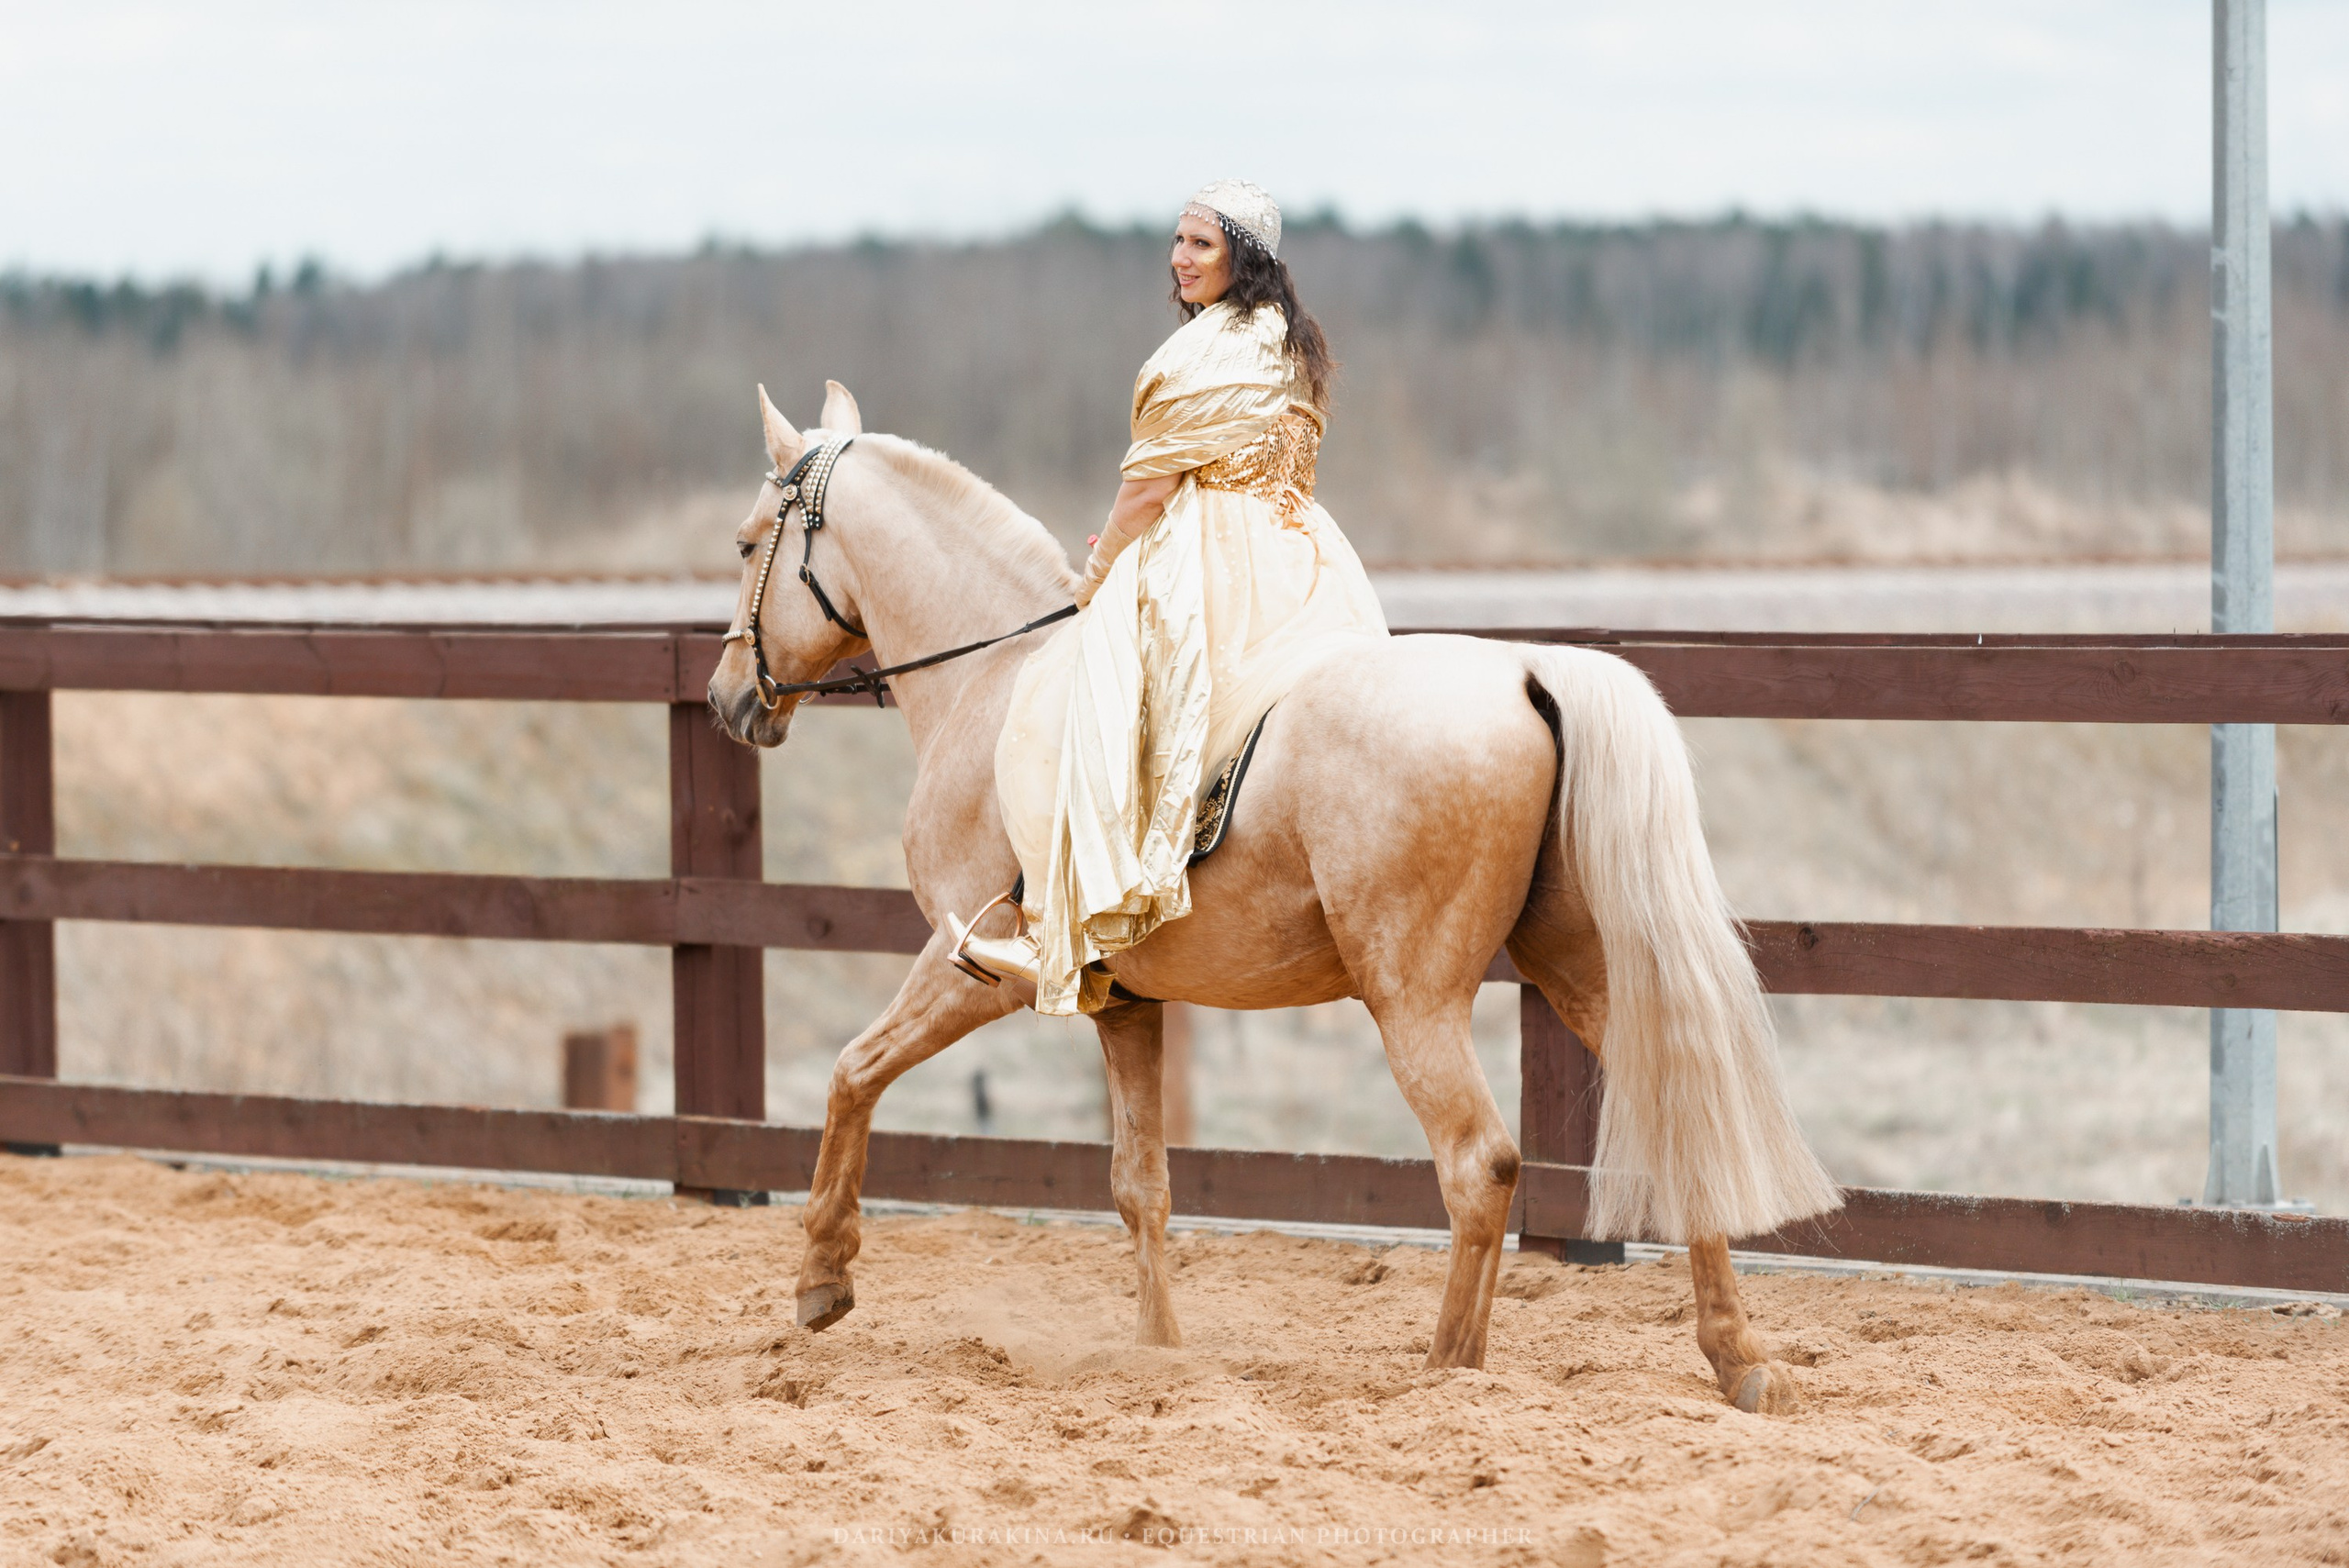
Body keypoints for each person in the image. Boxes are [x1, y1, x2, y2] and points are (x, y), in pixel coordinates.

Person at [952, 179, 1389, 1015]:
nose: (1179, 259)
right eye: (1178, 242)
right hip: (1307, 553)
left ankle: (1060, 926)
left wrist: (1100, 569)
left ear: (1242, 259)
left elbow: (1148, 492)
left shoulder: (1202, 352)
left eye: (1200, 245)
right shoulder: (1288, 341)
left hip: (1217, 552)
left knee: (1071, 698)